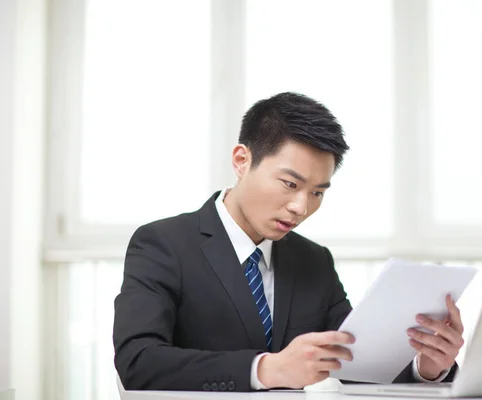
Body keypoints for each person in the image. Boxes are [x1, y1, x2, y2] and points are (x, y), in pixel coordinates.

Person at [112, 92, 464, 392]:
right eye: (290, 184)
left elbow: (358, 361)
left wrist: (427, 366)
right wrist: (266, 369)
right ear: (241, 160)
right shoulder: (162, 244)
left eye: (316, 192)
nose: (301, 207)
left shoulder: (313, 260)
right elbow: (139, 361)